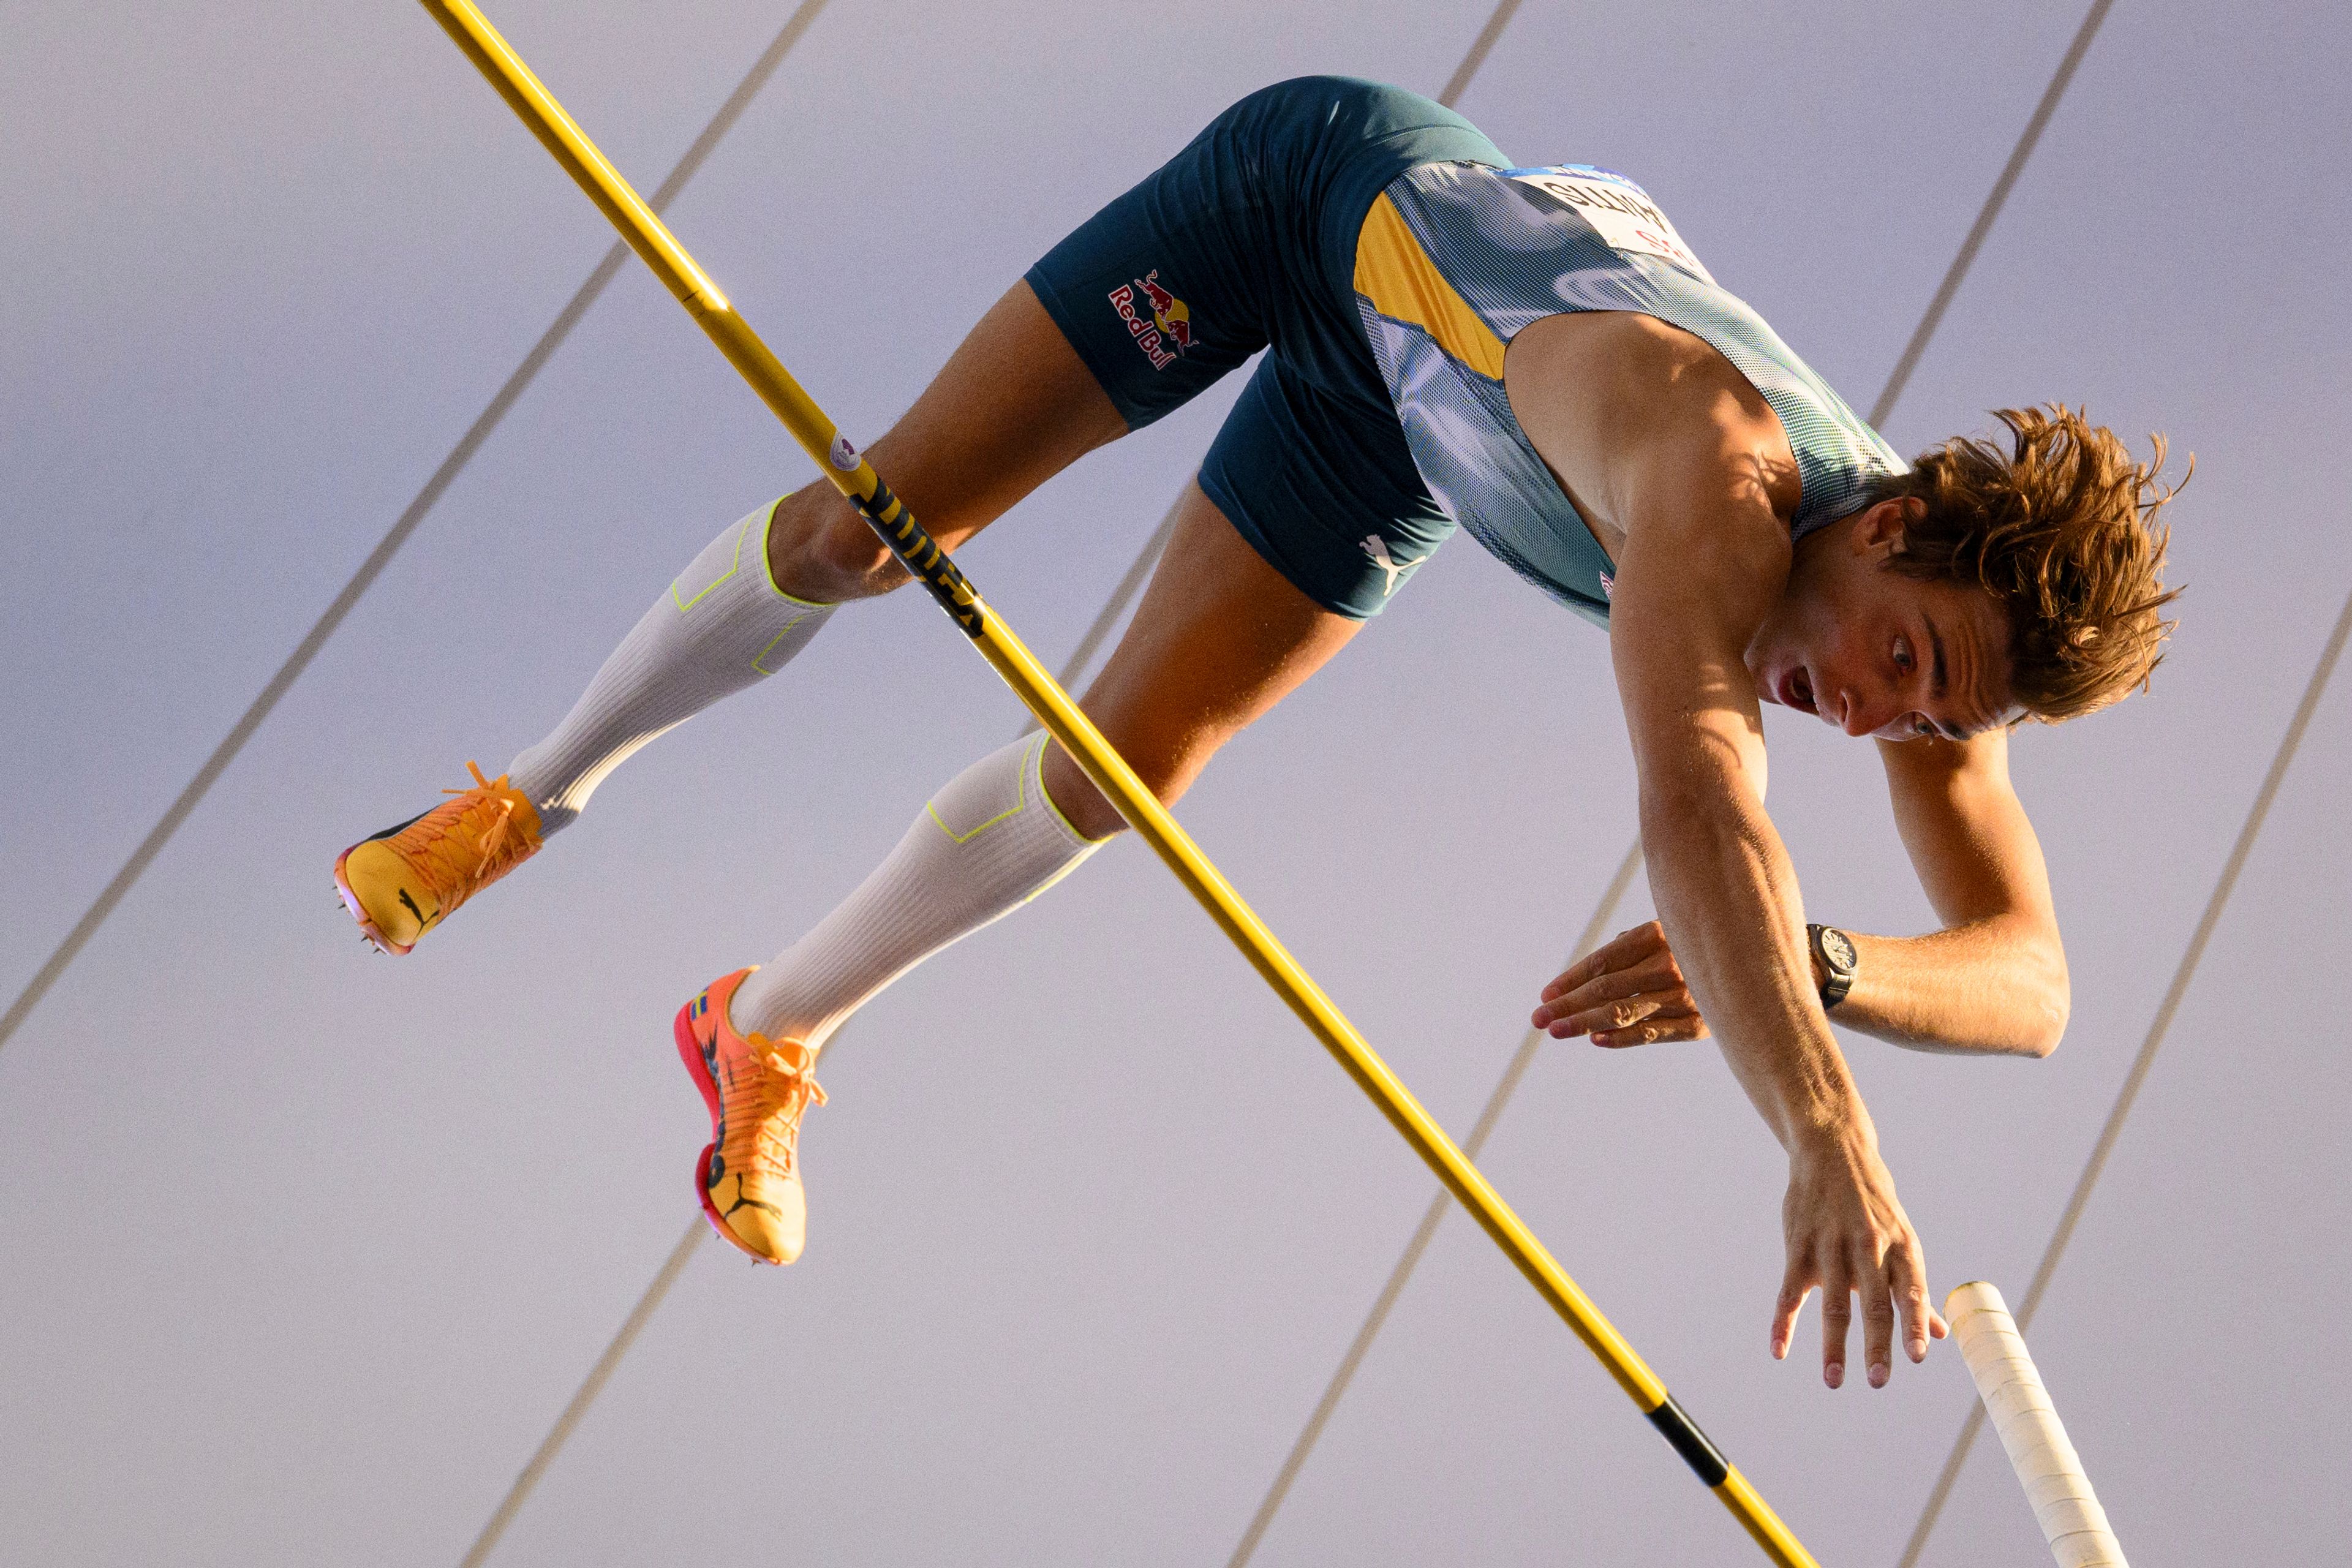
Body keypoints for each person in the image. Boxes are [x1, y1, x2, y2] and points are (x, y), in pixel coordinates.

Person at [333, 78, 2179, 1393]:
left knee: (1116, 772)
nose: (1868, 713)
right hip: (1313, 209)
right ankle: (529, 798)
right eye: (1898, 660)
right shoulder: (1722, 474)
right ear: (1899, 522)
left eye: (1919, 715)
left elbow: (2034, 985)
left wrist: (1829, 965)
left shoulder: (1933, 650)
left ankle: (759, 1030)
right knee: (873, 530)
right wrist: (1825, 1137)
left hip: (1397, 429)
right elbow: (1702, 799)